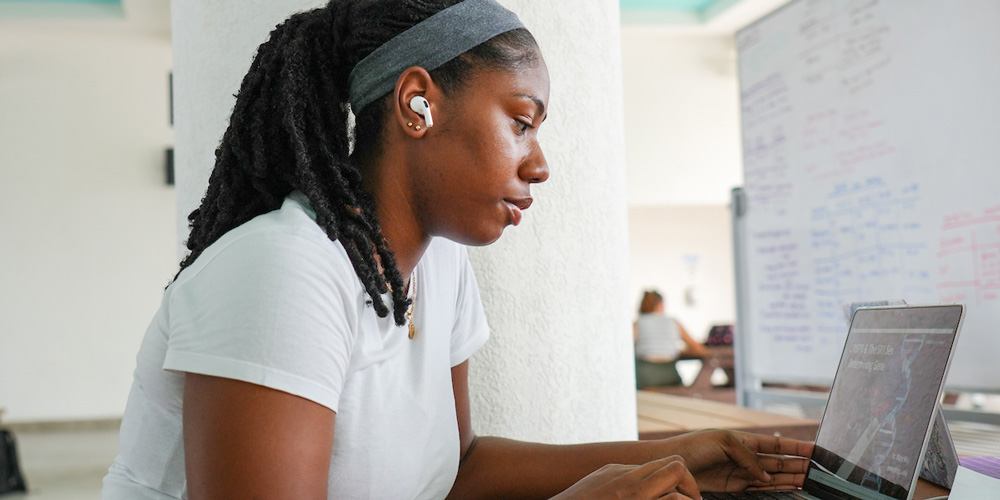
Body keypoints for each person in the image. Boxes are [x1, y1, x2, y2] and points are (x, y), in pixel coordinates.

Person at [102, 1, 813, 499]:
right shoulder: (282, 273)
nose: (540, 165)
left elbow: (460, 471)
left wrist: (673, 455)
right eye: (522, 122)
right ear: (418, 103)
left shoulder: (436, 266)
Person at [634, 290, 708, 389]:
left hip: (645, 377)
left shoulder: (637, 324)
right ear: (660, 305)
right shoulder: (673, 322)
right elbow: (696, 347)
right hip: (669, 374)